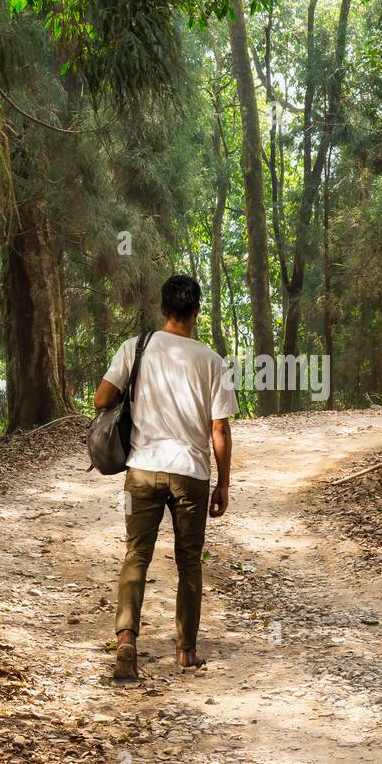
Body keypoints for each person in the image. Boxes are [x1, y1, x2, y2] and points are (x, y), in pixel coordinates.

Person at [94, 274, 237, 680]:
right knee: (189, 563)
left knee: (136, 554)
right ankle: (185, 652)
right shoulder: (211, 361)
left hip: (142, 469)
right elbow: (220, 431)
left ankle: (126, 642)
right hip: (191, 475)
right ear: (196, 311)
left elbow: (102, 398)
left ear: (162, 308)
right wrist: (223, 484)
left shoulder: (135, 347)